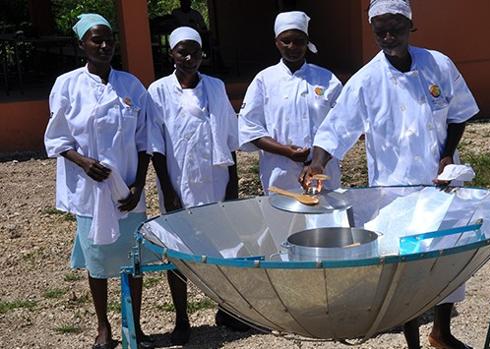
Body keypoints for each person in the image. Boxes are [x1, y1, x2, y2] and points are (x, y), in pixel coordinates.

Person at [300, 1, 479, 348]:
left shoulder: (438, 65)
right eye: (379, 29)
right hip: (394, 193)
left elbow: (459, 113)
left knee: (446, 258)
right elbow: (336, 128)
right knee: (405, 270)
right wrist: (318, 162)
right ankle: (412, 341)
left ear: (410, 24)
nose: (388, 36)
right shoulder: (367, 81)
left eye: (395, 27)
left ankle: (442, 332)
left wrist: (445, 154)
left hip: (441, 185)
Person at [43, 14, 154, 349]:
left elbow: (144, 139)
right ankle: (103, 326)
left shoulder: (131, 85)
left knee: (133, 259)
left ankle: (133, 326)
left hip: (126, 188)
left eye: (109, 39)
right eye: (96, 40)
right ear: (82, 45)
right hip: (90, 188)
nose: (105, 46)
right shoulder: (67, 85)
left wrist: (138, 186)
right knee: (98, 258)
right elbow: (57, 138)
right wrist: (83, 162)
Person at [146, 26, 247, 345]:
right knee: (178, 251)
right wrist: (168, 188)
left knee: (224, 246)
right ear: (171, 54)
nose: (189, 58)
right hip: (180, 181)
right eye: (182, 52)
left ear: (203, 53)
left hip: (216, 179)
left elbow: (230, 137)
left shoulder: (215, 86)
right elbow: (155, 145)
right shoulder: (158, 91)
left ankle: (228, 309)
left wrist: (233, 183)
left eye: (195, 52)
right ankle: (182, 317)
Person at [238, 11, 343, 194]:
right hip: (280, 172)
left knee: (325, 220)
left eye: (299, 41)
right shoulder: (264, 80)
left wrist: (317, 162)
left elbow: (340, 125)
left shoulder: (327, 79)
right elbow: (250, 128)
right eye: (286, 41)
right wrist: (287, 152)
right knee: (284, 220)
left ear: (307, 42)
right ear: (276, 42)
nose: (292, 46)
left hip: (323, 172)